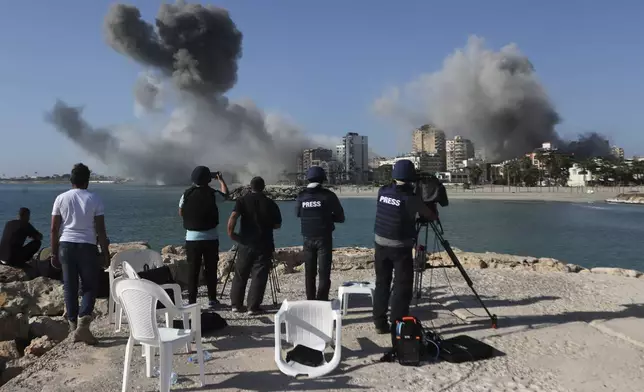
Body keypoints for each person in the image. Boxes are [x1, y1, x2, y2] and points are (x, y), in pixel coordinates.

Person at [372, 159, 437, 334]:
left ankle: (379, 323)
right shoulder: (411, 198)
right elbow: (430, 216)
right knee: (402, 285)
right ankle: (397, 323)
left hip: (379, 244)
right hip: (400, 248)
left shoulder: (382, 191)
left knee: (382, 283)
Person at [51, 163, 110, 345]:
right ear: (87, 180)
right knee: (90, 285)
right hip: (87, 246)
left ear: (71, 180)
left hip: (66, 246)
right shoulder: (94, 198)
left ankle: (73, 325)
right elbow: (100, 230)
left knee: (69, 285)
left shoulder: (60, 198)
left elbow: (54, 229)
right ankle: (84, 324)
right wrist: (105, 252)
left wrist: (53, 253)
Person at [227, 176, 282, 314]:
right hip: (264, 243)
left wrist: (231, 234)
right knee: (259, 275)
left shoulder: (242, 201)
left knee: (240, 274)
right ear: (263, 187)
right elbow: (277, 224)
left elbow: (233, 216)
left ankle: (236, 305)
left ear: (250, 187)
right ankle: (253, 306)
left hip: (245, 243)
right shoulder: (270, 203)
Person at [179, 166, 229, 308]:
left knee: (192, 270)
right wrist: (221, 180)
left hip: (192, 239)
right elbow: (226, 195)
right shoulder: (213, 194)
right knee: (211, 269)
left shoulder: (186, 194)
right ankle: (212, 299)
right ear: (208, 179)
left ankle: (192, 301)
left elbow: (181, 211)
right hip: (211, 238)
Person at [295, 166, 345, 301]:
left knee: (309, 272)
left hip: (307, 237)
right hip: (324, 238)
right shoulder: (328, 195)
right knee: (324, 272)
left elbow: (298, 214)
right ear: (323, 179)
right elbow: (341, 217)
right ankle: (322, 300)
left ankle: (310, 300)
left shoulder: (301, 196)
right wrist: (327, 217)